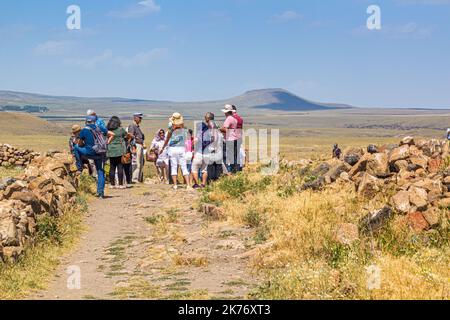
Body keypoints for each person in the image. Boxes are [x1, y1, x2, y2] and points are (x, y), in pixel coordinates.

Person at [73, 116, 108, 198]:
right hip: (100, 153)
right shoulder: (100, 128)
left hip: (90, 153)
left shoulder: (84, 130)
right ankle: (101, 193)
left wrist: (84, 144)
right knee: (100, 171)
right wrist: (106, 143)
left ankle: (79, 167)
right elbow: (108, 133)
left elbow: (80, 144)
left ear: (86, 122)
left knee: (76, 148)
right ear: (94, 121)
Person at [162, 112, 191, 190]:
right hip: (181, 148)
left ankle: (175, 185)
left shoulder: (170, 131)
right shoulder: (184, 130)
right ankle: (188, 185)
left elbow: (167, 140)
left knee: (174, 167)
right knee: (184, 166)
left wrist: (162, 148)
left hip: (172, 149)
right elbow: (188, 139)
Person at [192, 112, 217, 188]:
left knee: (194, 168)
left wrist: (193, 146)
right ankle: (203, 184)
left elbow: (196, 141)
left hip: (199, 152)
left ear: (208, 118)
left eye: (205, 117)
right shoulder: (214, 128)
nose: (205, 118)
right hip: (207, 152)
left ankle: (196, 184)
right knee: (204, 169)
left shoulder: (202, 131)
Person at [106, 116, 128, 189]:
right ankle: (121, 184)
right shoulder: (121, 129)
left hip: (110, 150)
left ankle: (112, 184)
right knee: (120, 167)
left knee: (112, 167)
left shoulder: (108, 130)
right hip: (119, 150)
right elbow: (126, 135)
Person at [220, 104, 240, 174]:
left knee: (229, 157)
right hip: (235, 139)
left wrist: (219, 129)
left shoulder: (228, 119)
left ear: (226, 112)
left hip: (229, 139)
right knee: (234, 157)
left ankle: (230, 172)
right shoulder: (234, 119)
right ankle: (235, 171)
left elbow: (225, 130)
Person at [128, 113, 145, 183]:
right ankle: (134, 179)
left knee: (140, 163)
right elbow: (130, 137)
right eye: (139, 118)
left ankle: (138, 178)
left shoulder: (137, 126)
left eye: (141, 118)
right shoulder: (132, 126)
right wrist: (132, 147)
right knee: (136, 163)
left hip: (140, 145)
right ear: (135, 118)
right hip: (136, 145)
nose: (140, 119)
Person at [232, 105, 244, 171]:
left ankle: (235, 170)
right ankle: (239, 168)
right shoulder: (240, 119)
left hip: (233, 138)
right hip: (239, 137)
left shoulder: (231, 118)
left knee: (233, 155)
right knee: (238, 154)